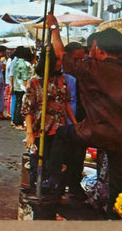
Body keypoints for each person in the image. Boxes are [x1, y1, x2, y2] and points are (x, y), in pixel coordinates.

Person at [47, 13, 122, 218]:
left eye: (92, 48)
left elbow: (59, 53)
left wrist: (54, 28)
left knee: (63, 134)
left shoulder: (90, 68)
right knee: (119, 192)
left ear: (100, 50)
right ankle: (113, 217)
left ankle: (55, 180)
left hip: (95, 132)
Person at [22, 47, 76, 190]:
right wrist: (29, 133)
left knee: (56, 167)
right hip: (40, 130)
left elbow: (66, 103)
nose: (61, 62)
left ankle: (53, 198)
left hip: (59, 129)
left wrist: (75, 124)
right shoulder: (35, 82)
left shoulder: (62, 79)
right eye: (58, 59)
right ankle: (36, 197)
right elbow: (27, 109)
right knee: (38, 166)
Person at [12, 47, 32, 130]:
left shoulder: (16, 62)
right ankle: (19, 123)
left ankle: (15, 121)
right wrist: (27, 87)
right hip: (21, 87)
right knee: (20, 105)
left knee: (17, 104)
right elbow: (24, 78)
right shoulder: (23, 64)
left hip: (17, 86)